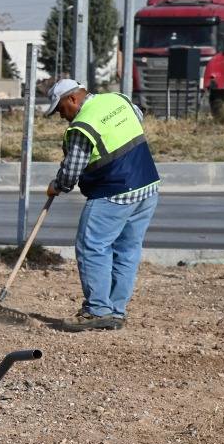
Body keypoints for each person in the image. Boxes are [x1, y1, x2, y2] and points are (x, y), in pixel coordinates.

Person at [41, 78, 161, 331]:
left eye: (61, 109)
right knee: (127, 249)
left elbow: (72, 170)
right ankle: (115, 312)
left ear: (73, 98)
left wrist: (58, 185)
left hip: (115, 191)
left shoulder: (83, 125)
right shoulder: (118, 99)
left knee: (92, 246)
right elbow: (136, 120)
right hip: (147, 186)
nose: (62, 116)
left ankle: (97, 310)